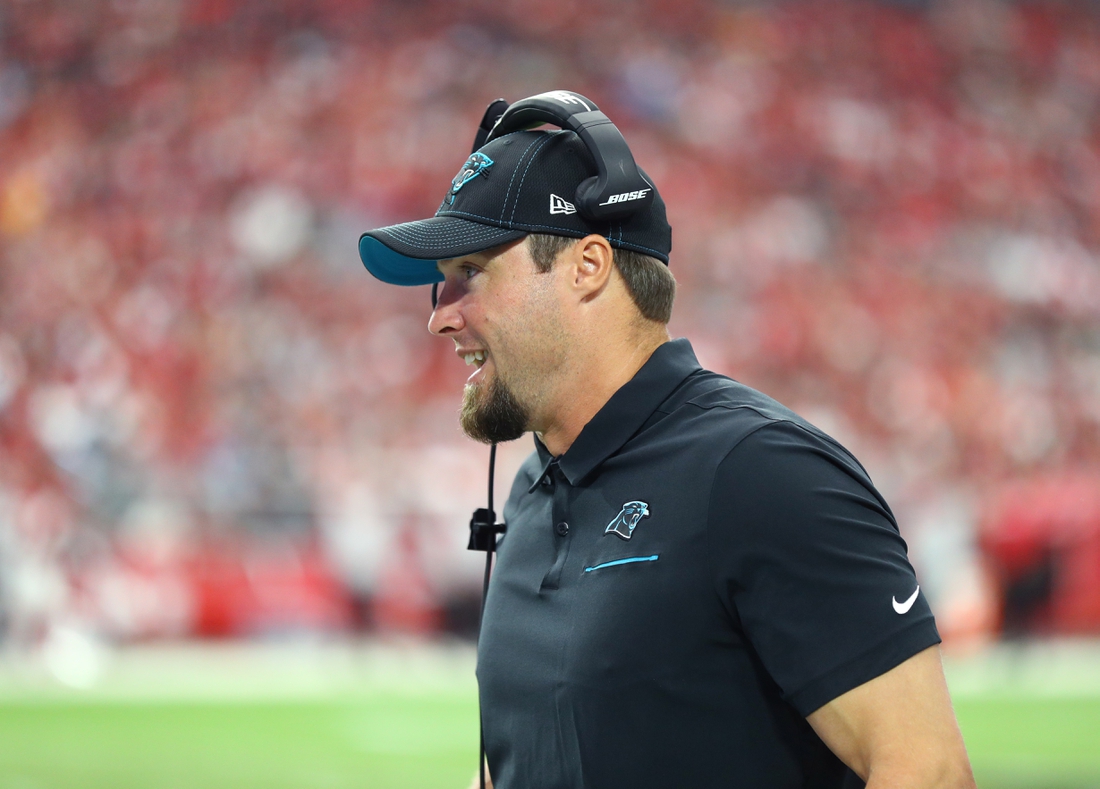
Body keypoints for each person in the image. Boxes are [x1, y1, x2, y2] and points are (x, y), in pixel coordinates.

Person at [357, 91, 975, 789]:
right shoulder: (534, 485)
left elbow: (927, 770)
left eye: (470, 273)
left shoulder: (761, 472)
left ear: (588, 266)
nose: (440, 320)